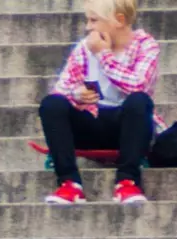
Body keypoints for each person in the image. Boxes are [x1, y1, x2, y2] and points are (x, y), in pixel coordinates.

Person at [38, 0, 160, 206]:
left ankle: (127, 181)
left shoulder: (145, 45)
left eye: (94, 20)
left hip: (129, 128)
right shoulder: (84, 48)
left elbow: (138, 86)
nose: (88, 27)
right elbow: (61, 88)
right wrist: (77, 94)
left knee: (139, 102)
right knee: (52, 104)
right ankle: (69, 183)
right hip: (92, 122)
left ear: (118, 21)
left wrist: (104, 55)